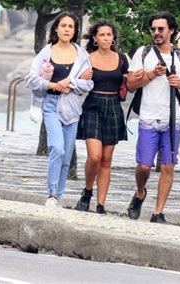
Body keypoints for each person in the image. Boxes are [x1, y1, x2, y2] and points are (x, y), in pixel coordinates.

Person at [126, 12, 180, 223]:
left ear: (172, 31)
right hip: (148, 117)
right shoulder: (143, 53)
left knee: (168, 166)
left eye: (161, 29)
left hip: (172, 120)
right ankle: (140, 193)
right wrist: (151, 75)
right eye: (153, 29)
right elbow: (130, 86)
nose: (156, 33)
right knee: (144, 166)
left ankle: (158, 212)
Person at [25, 11, 93, 208]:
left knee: (66, 155)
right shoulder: (46, 52)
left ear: (75, 31)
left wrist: (71, 82)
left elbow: (88, 84)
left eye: (70, 27)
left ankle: (59, 197)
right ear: (56, 28)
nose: (66, 29)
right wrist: (53, 86)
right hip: (51, 105)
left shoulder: (82, 55)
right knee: (57, 147)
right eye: (63, 26)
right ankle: (51, 193)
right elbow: (31, 79)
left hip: (71, 107)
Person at [75, 20, 129, 214]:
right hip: (92, 106)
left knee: (106, 159)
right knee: (94, 156)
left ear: (113, 37)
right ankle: (88, 190)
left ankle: (100, 204)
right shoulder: (87, 58)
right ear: (95, 39)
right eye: (102, 35)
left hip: (113, 107)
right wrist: (82, 77)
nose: (106, 38)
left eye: (109, 34)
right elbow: (77, 83)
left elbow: (127, 84)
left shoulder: (122, 59)